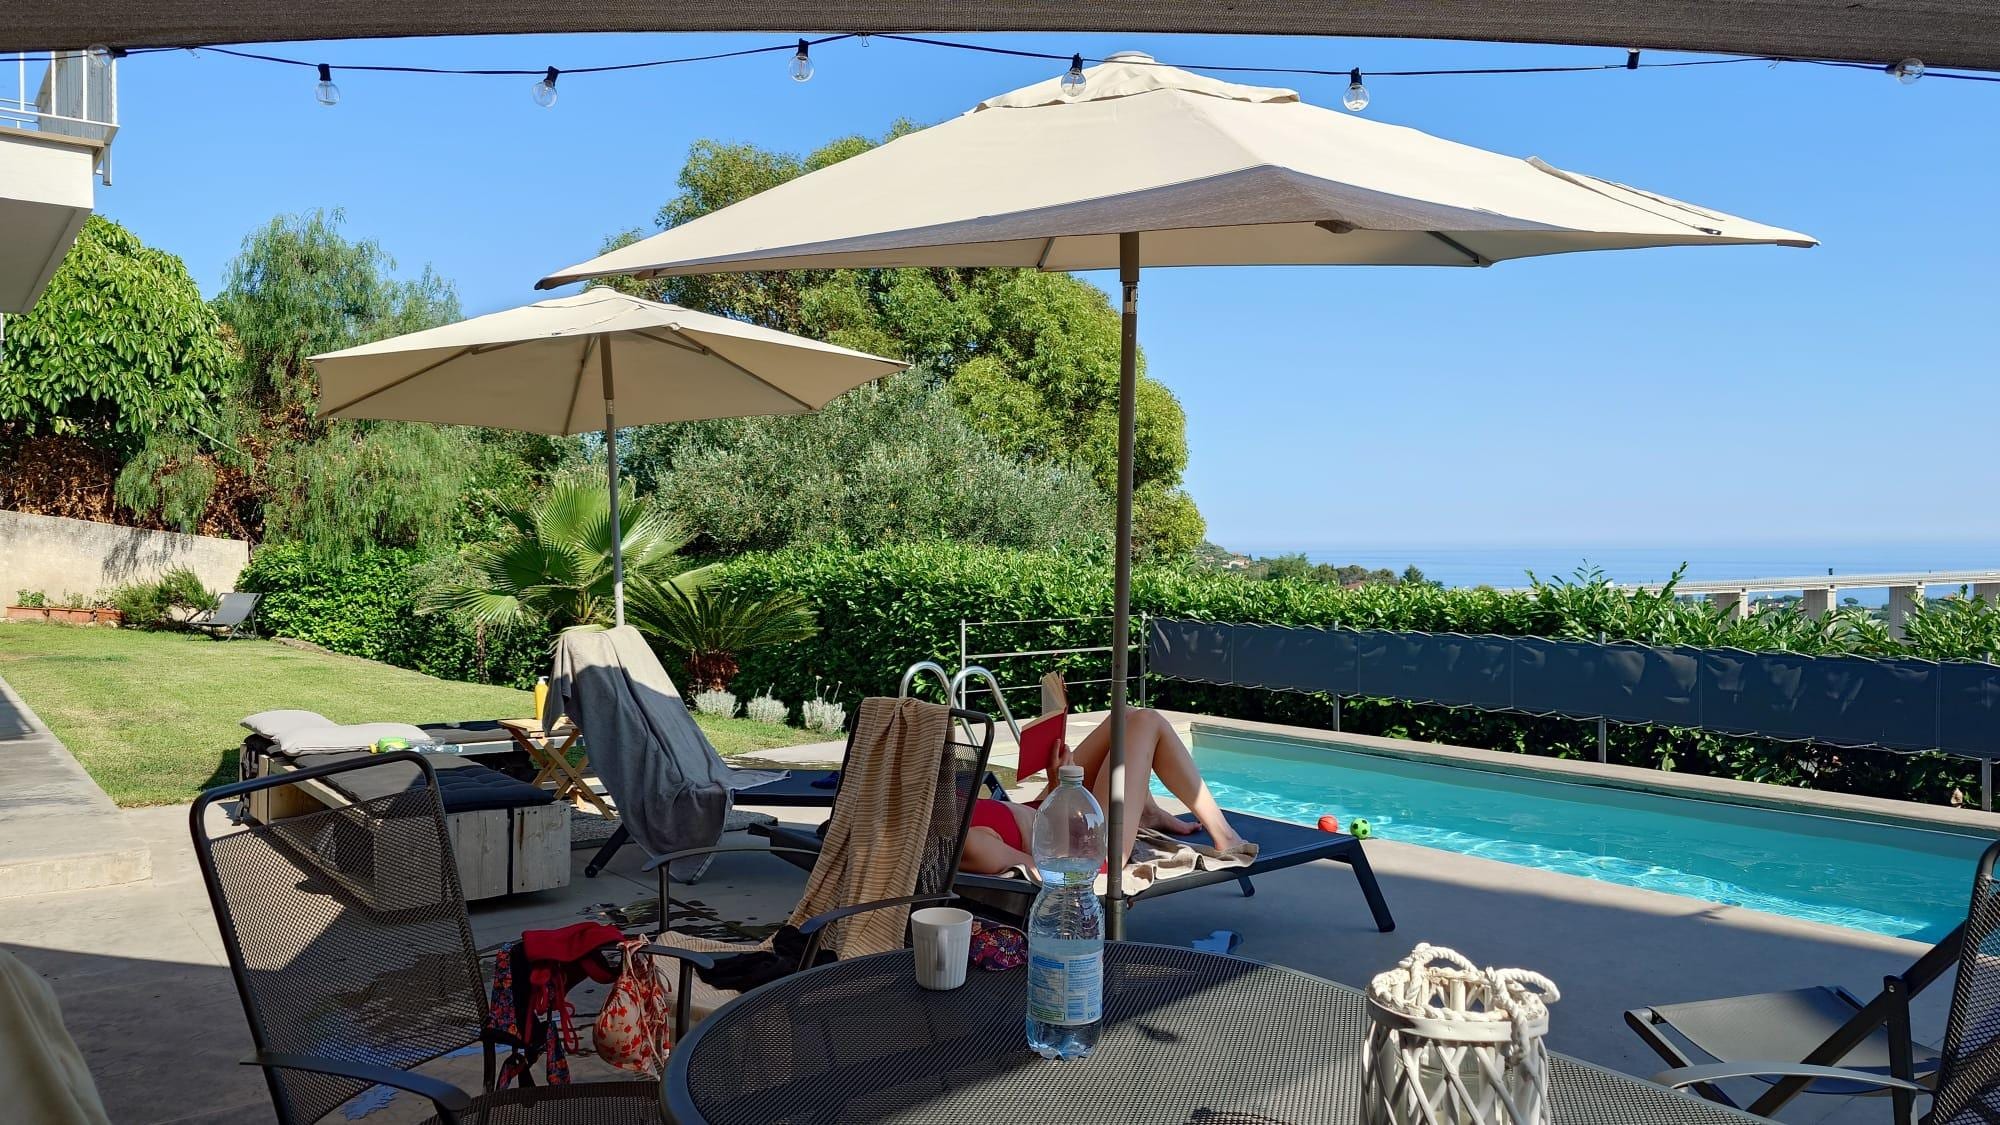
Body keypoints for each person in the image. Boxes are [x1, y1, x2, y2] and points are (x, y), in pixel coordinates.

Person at [960, 706, 1253, 875]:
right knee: (1146, 722)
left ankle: (1147, 812)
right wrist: (1059, 788)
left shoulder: (933, 810)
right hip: (1087, 847)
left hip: (1049, 812)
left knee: (1123, 716)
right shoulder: (966, 845)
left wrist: (1054, 783)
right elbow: (1057, 870)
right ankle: (1225, 836)